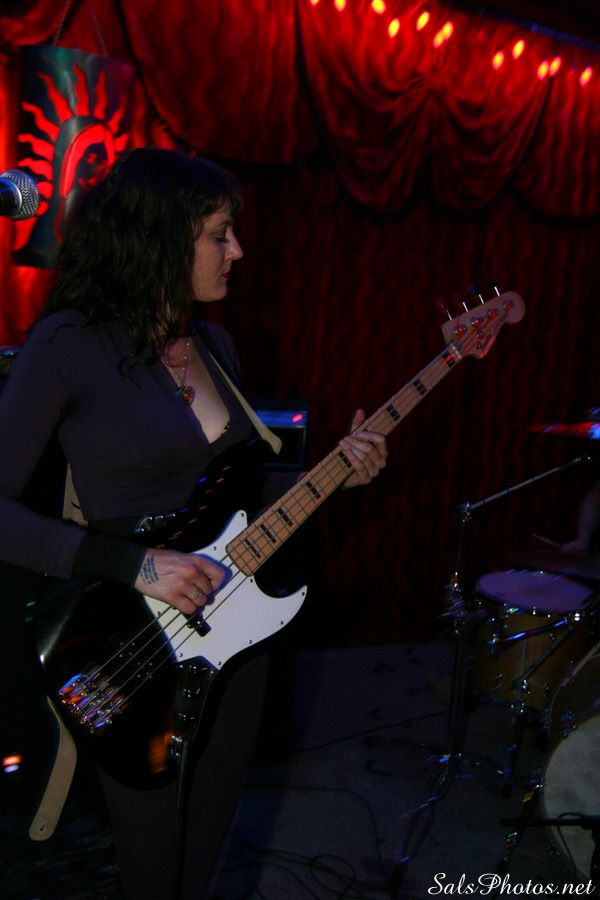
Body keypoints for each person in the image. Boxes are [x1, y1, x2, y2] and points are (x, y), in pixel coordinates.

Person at [0, 147, 388, 900]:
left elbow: (235, 491)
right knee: (151, 858)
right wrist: (138, 564)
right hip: (129, 637)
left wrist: (334, 472)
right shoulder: (69, 343)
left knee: (206, 841)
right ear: (158, 239)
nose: (236, 250)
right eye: (218, 234)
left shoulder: (216, 345)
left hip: (235, 628)